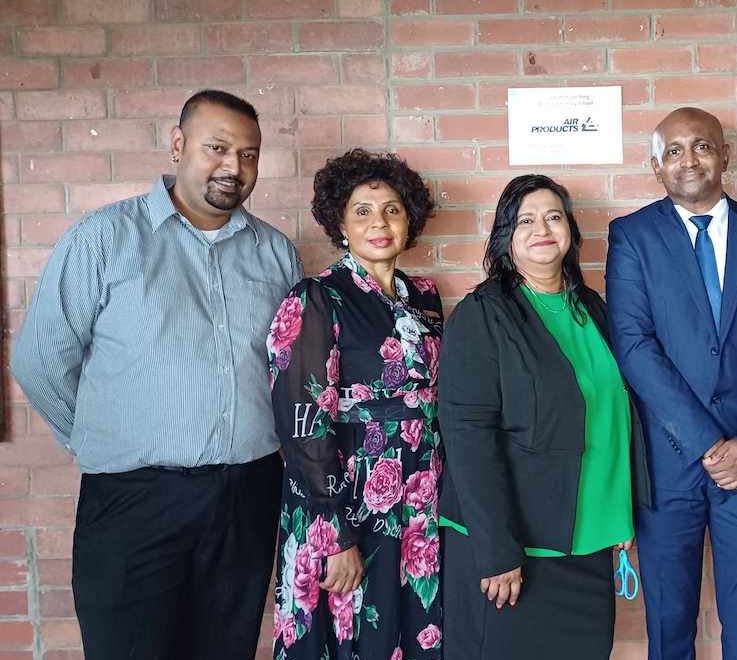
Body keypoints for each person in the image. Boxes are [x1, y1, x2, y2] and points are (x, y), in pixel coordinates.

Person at [10, 89, 301, 659]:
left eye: (249, 154)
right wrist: (98, 439)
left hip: (248, 495)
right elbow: (40, 360)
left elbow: (289, 370)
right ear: (178, 145)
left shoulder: (276, 254)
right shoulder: (105, 239)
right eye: (217, 147)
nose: (233, 167)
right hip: (134, 502)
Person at [605, 107, 737, 660]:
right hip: (670, 466)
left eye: (702, 146)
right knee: (669, 623)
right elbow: (634, 347)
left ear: (725, 155)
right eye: (674, 151)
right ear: (655, 166)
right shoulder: (632, 237)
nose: (689, 160)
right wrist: (711, 445)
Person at [438, 174, 651, 660]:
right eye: (525, 220)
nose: (542, 228)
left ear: (571, 232)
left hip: (589, 545)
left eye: (553, 217)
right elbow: (468, 439)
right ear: (505, 237)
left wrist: (619, 518)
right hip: (515, 554)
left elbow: (610, 421)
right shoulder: (482, 315)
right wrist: (496, 552)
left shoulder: (590, 308)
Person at [267, 148, 443, 658]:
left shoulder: (424, 297)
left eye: (392, 209)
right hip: (346, 494)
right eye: (362, 212)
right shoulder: (316, 298)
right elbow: (302, 422)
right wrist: (334, 532)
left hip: (419, 493)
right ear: (340, 224)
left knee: (409, 625)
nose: (379, 223)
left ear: (409, 218)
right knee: (351, 629)